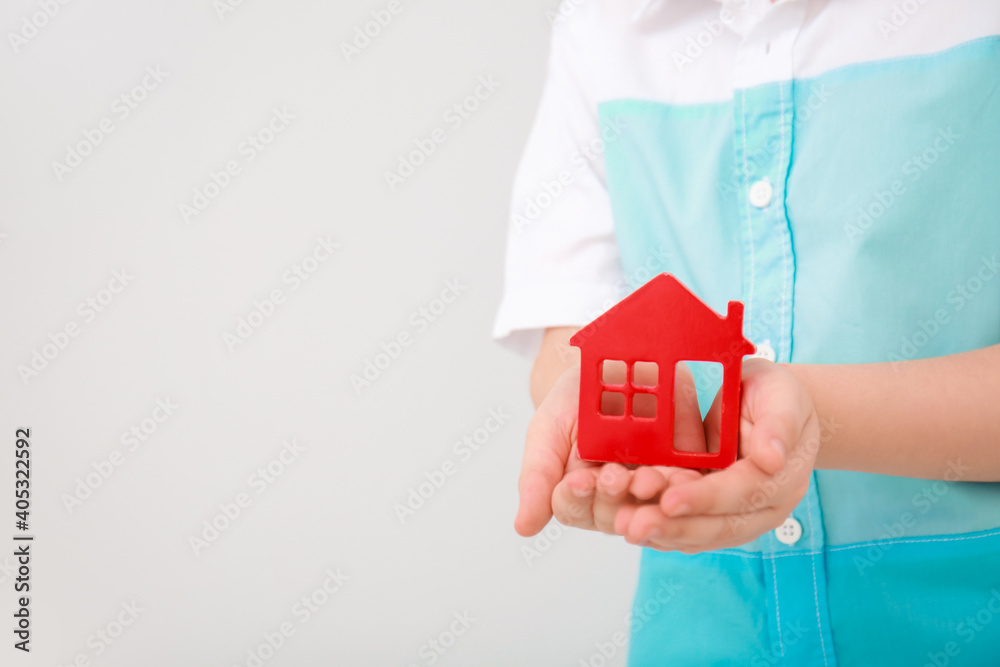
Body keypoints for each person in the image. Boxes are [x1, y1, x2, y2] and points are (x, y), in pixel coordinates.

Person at [493, 0, 1000, 664]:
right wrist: (592, 410)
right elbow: (573, 340)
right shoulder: (598, 28)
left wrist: (800, 413)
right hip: (700, 635)